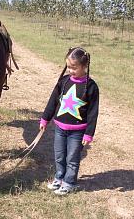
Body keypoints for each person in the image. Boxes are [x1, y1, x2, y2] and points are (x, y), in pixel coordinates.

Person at [39, 47, 99, 195]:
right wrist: (45, 119)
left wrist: (88, 134)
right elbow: (53, 101)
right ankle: (59, 178)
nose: (70, 70)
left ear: (84, 66)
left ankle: (69, 182)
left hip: (78, 131)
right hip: (60, 128)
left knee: (72, 158)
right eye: (68, 67)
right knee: (59, 155)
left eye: (74, 67)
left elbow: (93, 112)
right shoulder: (63, 81)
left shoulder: (91, 86)